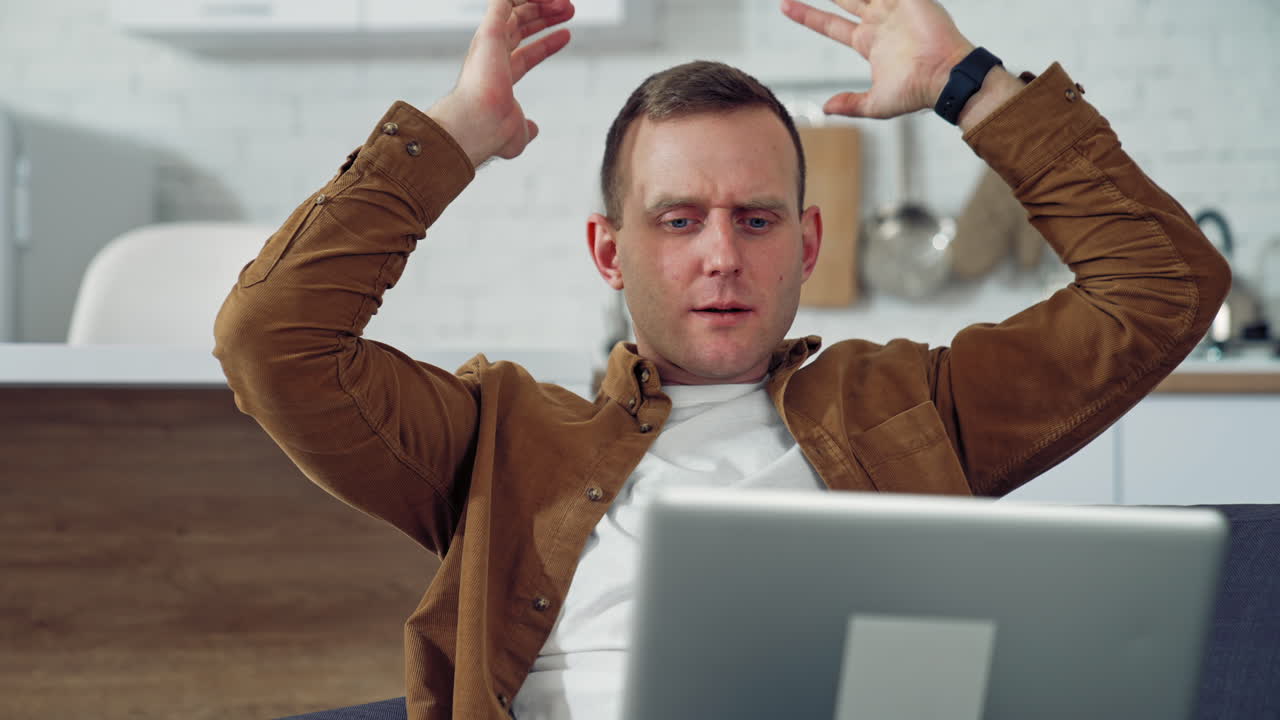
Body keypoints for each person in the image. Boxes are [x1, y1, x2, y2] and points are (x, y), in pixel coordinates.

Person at [213, 0, 1230, 718]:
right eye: (677, 219)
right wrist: (459, 132)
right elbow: (272, 339)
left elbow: (1162, 289)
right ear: (608, 253)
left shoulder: (916, 405)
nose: (719, 254)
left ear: (807, 243)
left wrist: (968, 86)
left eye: (755, 218)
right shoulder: (498, 437)